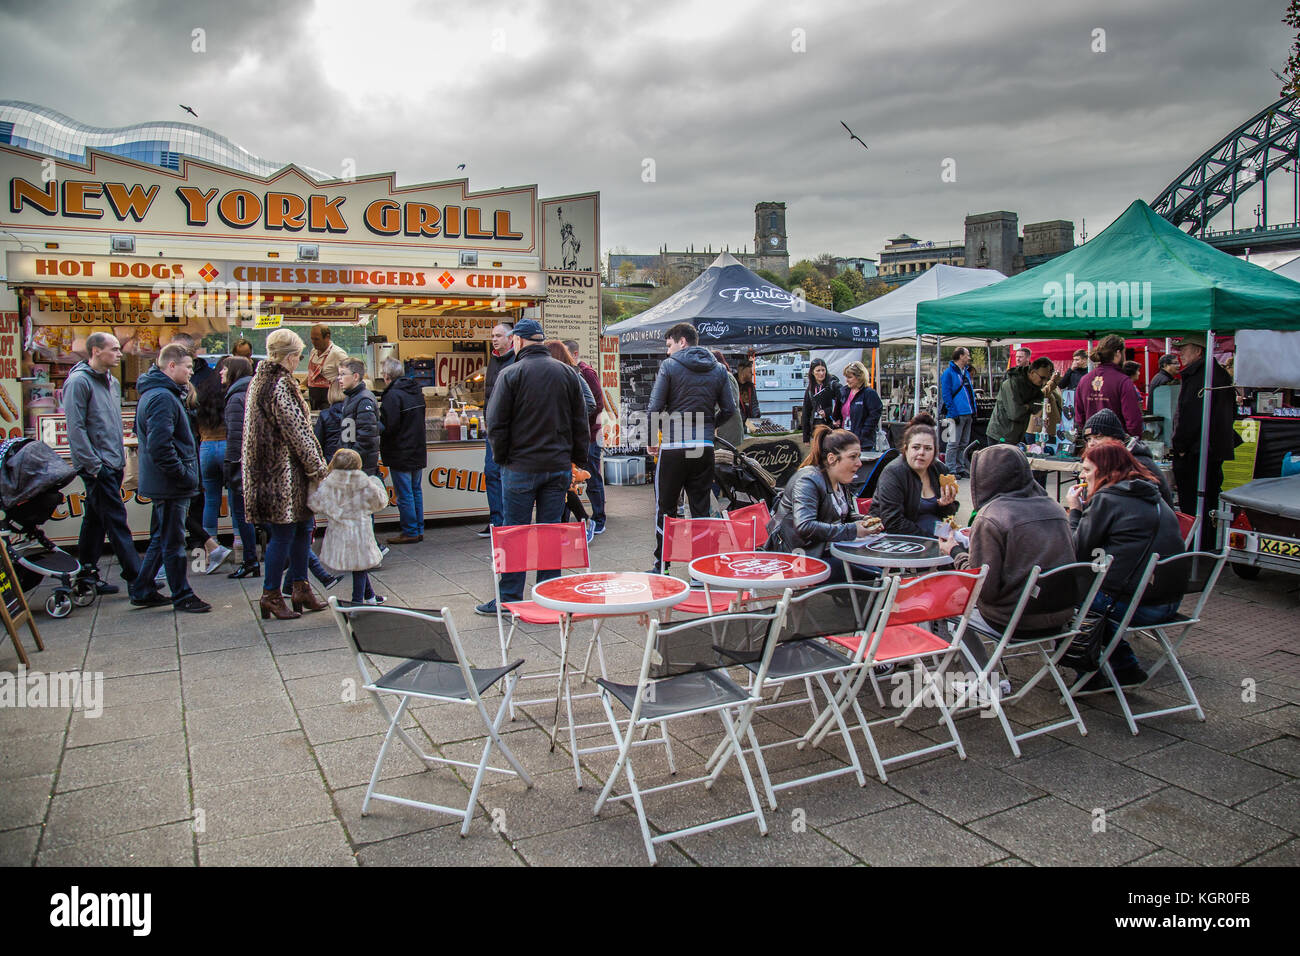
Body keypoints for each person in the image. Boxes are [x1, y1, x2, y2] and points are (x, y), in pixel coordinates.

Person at [940, 444, 1077, 694]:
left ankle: (984, 683)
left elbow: (983, 587)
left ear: (984, 477)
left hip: (1015, 619)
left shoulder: (991, 516)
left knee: (950, 607)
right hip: (1062, 616)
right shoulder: (1055, 508)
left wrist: (955, 552)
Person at [479, 318, 588, 614]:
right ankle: (549, 591)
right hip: (557, 467)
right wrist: (577, 460)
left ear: (518, 342)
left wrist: (502, 460)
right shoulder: (567, 373)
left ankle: (509, 597)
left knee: (514, 533)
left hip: (520, 467)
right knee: (550, 532)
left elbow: (496, 424)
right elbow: (581, 422)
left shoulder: (511, 373)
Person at [1066, 438, 1185, 688]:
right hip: (1170, 602)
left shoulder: (1108, 499)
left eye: (1087, 470)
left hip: (1136, 606)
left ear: (1105, 470)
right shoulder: (1154, 496)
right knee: (1094, 594)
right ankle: (1123, 666)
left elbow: (1077, 551)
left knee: (1065, 598)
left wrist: (1075, 511)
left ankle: (1092, 672)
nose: (1084, 476)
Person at [244, 328, 330, 621]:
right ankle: (271, 593)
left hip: (271, 470)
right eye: (300, 356)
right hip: (281, 473)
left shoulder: (260, 381)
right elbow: (299, 432)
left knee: (303, 529)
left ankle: (300, 586)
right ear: (291, 357)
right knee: (283, 533)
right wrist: (319, 468)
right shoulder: (280, 384)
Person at [643, 322, 737, 572]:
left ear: (682, 341)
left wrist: (652, 439)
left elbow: (654, 407)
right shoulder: (718, 369)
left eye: (669, 345)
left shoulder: (670, 366)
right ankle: (702, 570)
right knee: (700, 509)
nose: (667, 351)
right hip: (703, 447)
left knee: (666, 508)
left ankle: (662, 566)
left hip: (674, 446)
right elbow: (730, 409)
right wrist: (709, 426)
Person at [129, 344, 209, 613]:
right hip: (171, 484)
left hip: (165, 482)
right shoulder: (162, 397)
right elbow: (160, 445)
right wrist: (183, 474)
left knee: (161, 536)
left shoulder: (157, 394)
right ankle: (182, 595)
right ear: (171, 366)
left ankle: (142, 588)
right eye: (187, 366)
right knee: (173, 542)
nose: (190, 372)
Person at [63, 332, 140, 594]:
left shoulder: (111, 382)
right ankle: (137, 577)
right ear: (96, 350)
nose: (120, 354)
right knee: (117, 520)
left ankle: (86, 575)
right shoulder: (78, 382)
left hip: (112, 462)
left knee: (95, 520)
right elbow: (75, 428)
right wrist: (95, 466)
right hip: (98, 466)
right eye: (114, 349)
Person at [773, 426, 880, 582]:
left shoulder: (839, 479)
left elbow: (845, 515)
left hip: (824, 550)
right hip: (799, 556)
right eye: (853, 457)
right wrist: (853, 530)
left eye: (859, 456)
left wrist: (864, 521)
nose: (859, 463)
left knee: (878, 568)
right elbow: (804, 526)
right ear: (832, 458)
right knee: (875, 575)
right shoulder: (808, 480)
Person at [1170, 336, 1237, 533]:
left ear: (1199, 350)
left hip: (1197, 452)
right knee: (1209, 501)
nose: (1180, 353)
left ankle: (1198, 546)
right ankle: (1206, 541)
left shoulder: (1202, 376)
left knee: (1194, 504)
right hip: (1210, 450)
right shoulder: (1217, 374)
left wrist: (1180, 446)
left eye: (1185, 348)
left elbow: (1190, 416)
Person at [309, 449, 388, 606]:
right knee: (360, 566)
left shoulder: (328, 483)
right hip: (359, 530)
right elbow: (379, 501)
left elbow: (317, 504)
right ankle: (357, 602)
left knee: (358, 564)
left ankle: (370, 596)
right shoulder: (363, 483)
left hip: (338, 531)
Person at [868, 414, 959, 536]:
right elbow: (892, 523)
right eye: (916, 447)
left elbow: (947, 515)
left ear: (934, 452)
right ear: (906, 449)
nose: (921, 453)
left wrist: (945, 505)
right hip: (898, 539)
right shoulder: (893, 473)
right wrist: (932, 538)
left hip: (935, 532)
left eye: (928, 449)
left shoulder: (940, 470)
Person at [546, 341, 597, 539]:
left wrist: (570, 416)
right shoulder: (555, 376)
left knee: (564, 484)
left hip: (565, 439)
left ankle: (584, 520)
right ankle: (573, 524)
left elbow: (591, 403)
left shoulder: (573, 374)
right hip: (557, 439)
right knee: (561, 485)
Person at [379, 356, 427, 544]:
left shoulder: (392, 396)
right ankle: (418, 528)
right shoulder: (415, 391)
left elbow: (388, 426)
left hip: (400, 449)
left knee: (405, 493)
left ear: (386, 375)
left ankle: (410, 530)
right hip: (417, 447)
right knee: (415, 490)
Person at [1082, 408, 1173, 505]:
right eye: (1088, 439)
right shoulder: (1110, 461)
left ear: (1117, 440)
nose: (1091, 444)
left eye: (1098, 437)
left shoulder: (1136, 464)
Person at [221, 356, 260, 579]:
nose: (220, 373)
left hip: (242, 465)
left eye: (224, 369)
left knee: (242, 513)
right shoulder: (250, 392)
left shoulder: (236, 397)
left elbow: (237, 437)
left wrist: (233, 466)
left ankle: (250, 559)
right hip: (253, 463)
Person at [564, 338, 608, 536]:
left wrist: (576, 419)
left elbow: (597, 404)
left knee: (592, 476)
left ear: (574, 354)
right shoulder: (568, 373)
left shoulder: (586, 373)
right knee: (570, 478)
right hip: (577, 435)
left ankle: (599, 518)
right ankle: (566, 519)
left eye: (565, 354)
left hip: (590, 434)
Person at [479, 321, 515, 538]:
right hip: (492, 429)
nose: (494, 339)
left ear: (511, 338)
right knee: (491, 473)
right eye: (493, 335)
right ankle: (496, 521)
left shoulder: (517, 359)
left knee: (507, 475)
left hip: (509, 430)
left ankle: (508, 522)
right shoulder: (493, 360)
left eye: (499, 336)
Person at [1075, 334, 1142, 438]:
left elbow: (1079, 417)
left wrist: (1091, 437)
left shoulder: (1084, 380)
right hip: (1117, 445)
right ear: (1118, 353)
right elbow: (1133, 420)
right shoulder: (1123, 381)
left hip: (1093, 443)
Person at [987, 357, 1053, 445]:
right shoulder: (1011, 384)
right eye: (1042, 378)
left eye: (1047, 379)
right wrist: (1030, 406)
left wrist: (1027, 406)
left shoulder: (1035, 387)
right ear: (1032, 372)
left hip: (1015, 436)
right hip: (1000, 435)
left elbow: (1037, 406)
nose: (1044, 382)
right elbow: (1015, 414)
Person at [337, 358, 380, 477]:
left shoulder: (364, 400)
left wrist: (351, 460)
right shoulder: (349, 398)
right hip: (350, 464)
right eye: (338, 374)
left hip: (361, 467)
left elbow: (367, 437)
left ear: (355, 376)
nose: (339, 378)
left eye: (343, 374)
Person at [939, 347, 976, 478]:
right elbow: (946, 395)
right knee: (953, 443)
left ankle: (959, 467)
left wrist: (973, 409)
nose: (969, 358)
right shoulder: (949, 373)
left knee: (963, 443)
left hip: (967, 412)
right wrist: (953, 412)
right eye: (967, 355)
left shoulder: (964, 372)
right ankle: (951, 469)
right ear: (960, 356)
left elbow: (970, 393)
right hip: (957, 413)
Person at [835, 360, 882, 454]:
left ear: (859, 377)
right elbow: (838, 411)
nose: (847, 380)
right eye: (846, 377)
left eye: (850, 377)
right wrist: (837, 421)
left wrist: (863, 433)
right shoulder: (844, 391)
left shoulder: (869, 393)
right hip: (845, 440)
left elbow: (874, 415)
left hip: (862, 443)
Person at [306, 324, 348, 411]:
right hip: (314, 397)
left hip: (329, 399)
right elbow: (313, 374)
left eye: (317, 339)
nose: (313, 342)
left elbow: (348, 376)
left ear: (327, 337)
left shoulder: (338, 354)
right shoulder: (313, 351)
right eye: (312, 339)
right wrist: (303, 384)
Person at [801, 358, 841, 444]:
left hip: (831, 428)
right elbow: (806, 412)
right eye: (818, 370)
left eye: (823, 370)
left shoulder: (832, 385)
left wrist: (828, 412)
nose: (821, 373)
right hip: (816, 429)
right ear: (812, 372)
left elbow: (841, 404)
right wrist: (806, 437)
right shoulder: (810, 389)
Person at [711, 351, 743, 448]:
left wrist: (712, 422)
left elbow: (730, 404)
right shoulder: (720, 375)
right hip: (723, 428)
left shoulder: (726, 376)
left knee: (726, 460)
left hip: (728, 430)